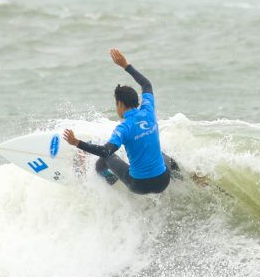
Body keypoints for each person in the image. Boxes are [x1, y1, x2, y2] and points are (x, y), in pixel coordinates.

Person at [63, 48, 180, 195]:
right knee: (163, 156)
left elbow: (106, 151)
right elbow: (146, 84)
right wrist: (126, 65)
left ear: (120, 104)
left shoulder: (124, 128)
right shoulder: (148, 110)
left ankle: (110, 181)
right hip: (163, 181)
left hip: (139, 185)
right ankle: (186, 179)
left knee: (106, 159)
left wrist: (77, 143)